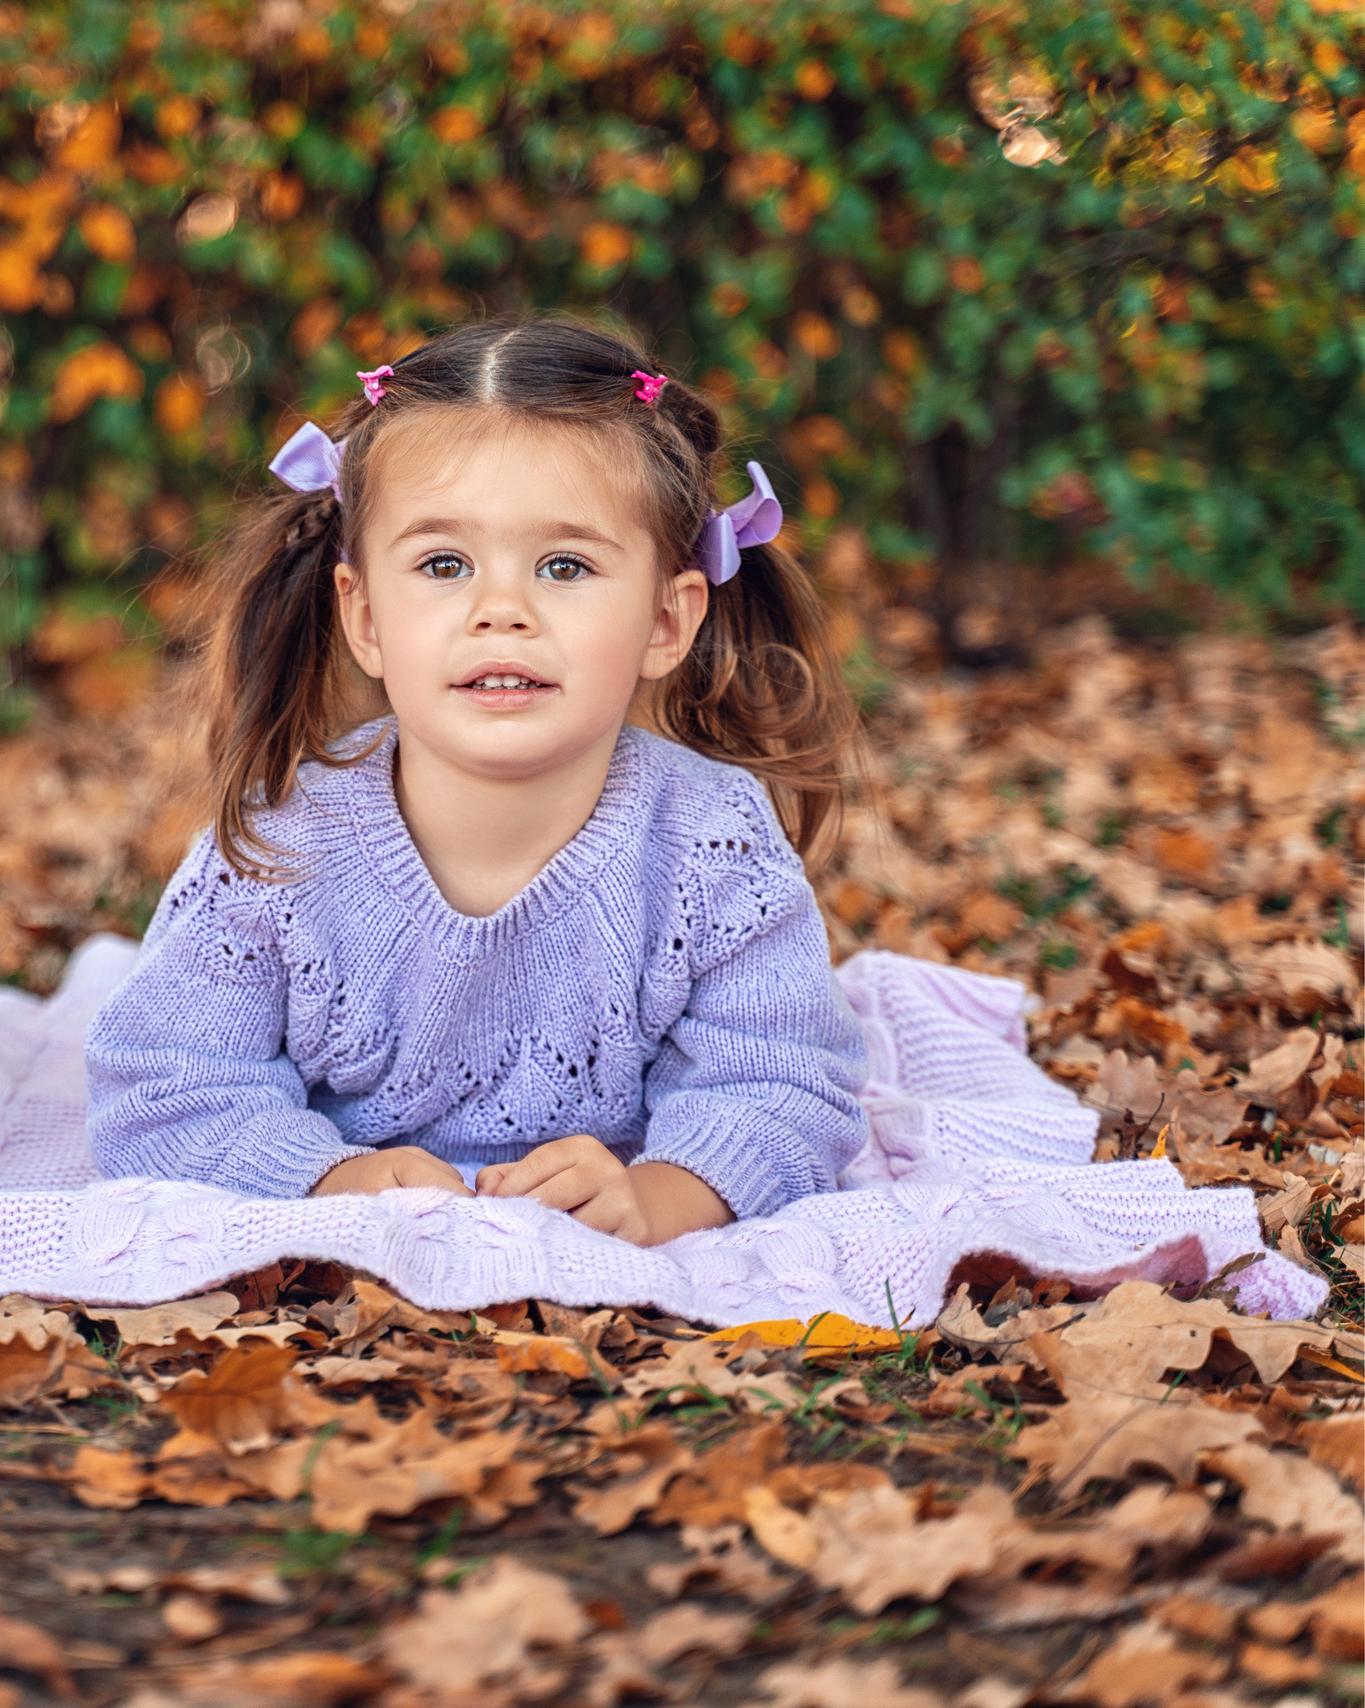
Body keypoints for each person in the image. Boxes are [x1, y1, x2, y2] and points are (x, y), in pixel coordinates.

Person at [84, 319, 867, 1245]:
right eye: (444, 565)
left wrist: (657, 1197)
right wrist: (330, 1178)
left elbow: (780, 1086)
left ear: (668, 618)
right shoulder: (278, 850)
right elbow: (165, 1086)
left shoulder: (712, 842)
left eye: (564, 565)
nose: (502, 611)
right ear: (365, 617)